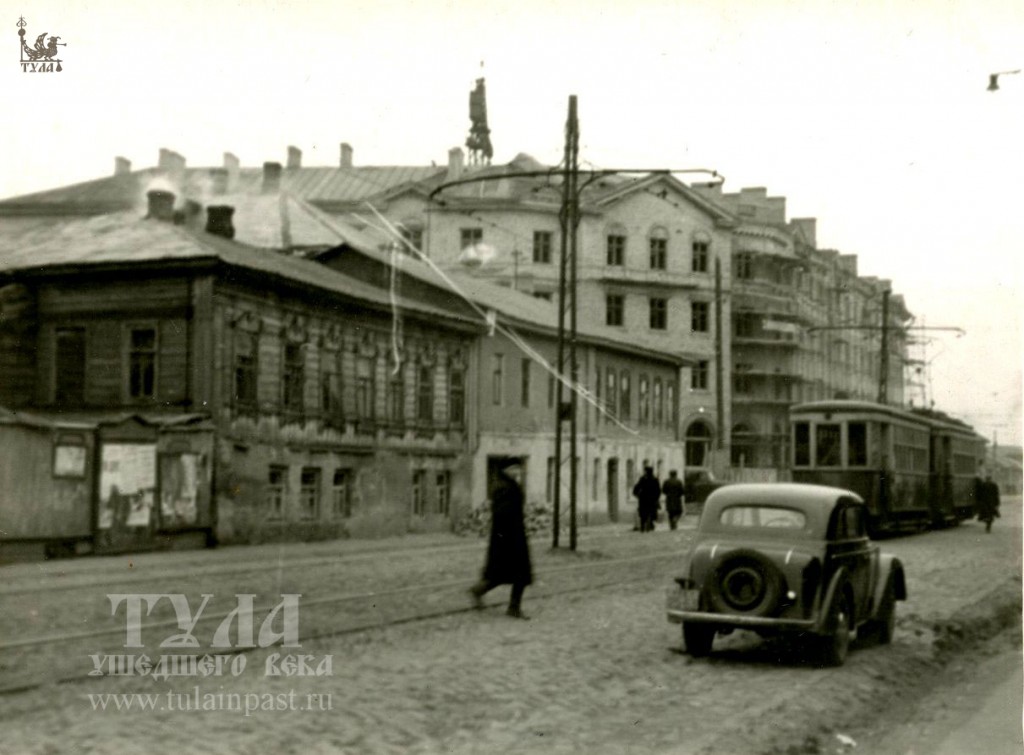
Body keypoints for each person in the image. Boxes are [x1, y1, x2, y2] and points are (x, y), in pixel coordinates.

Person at [470, 460, 533, 618]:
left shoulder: (508, 485)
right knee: (511, 573)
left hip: (511, 536)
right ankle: (511, 606)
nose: (517, 471)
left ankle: (481, 592)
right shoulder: (504, 487)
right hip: (507, 537)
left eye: (518, 468)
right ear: (506, 470)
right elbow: (501, 513)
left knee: (509, 573)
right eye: (514, 469)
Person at [632, 465, 661, 533]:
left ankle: (643, 526)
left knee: (643, 513)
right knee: (651, 511)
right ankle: (649, 524)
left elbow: (637, 487)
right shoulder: (655, 479)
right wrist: (656, 497)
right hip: (651, 498)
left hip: (643, 498)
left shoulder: (643, 479)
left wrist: (636, 494)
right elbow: (658, 490)